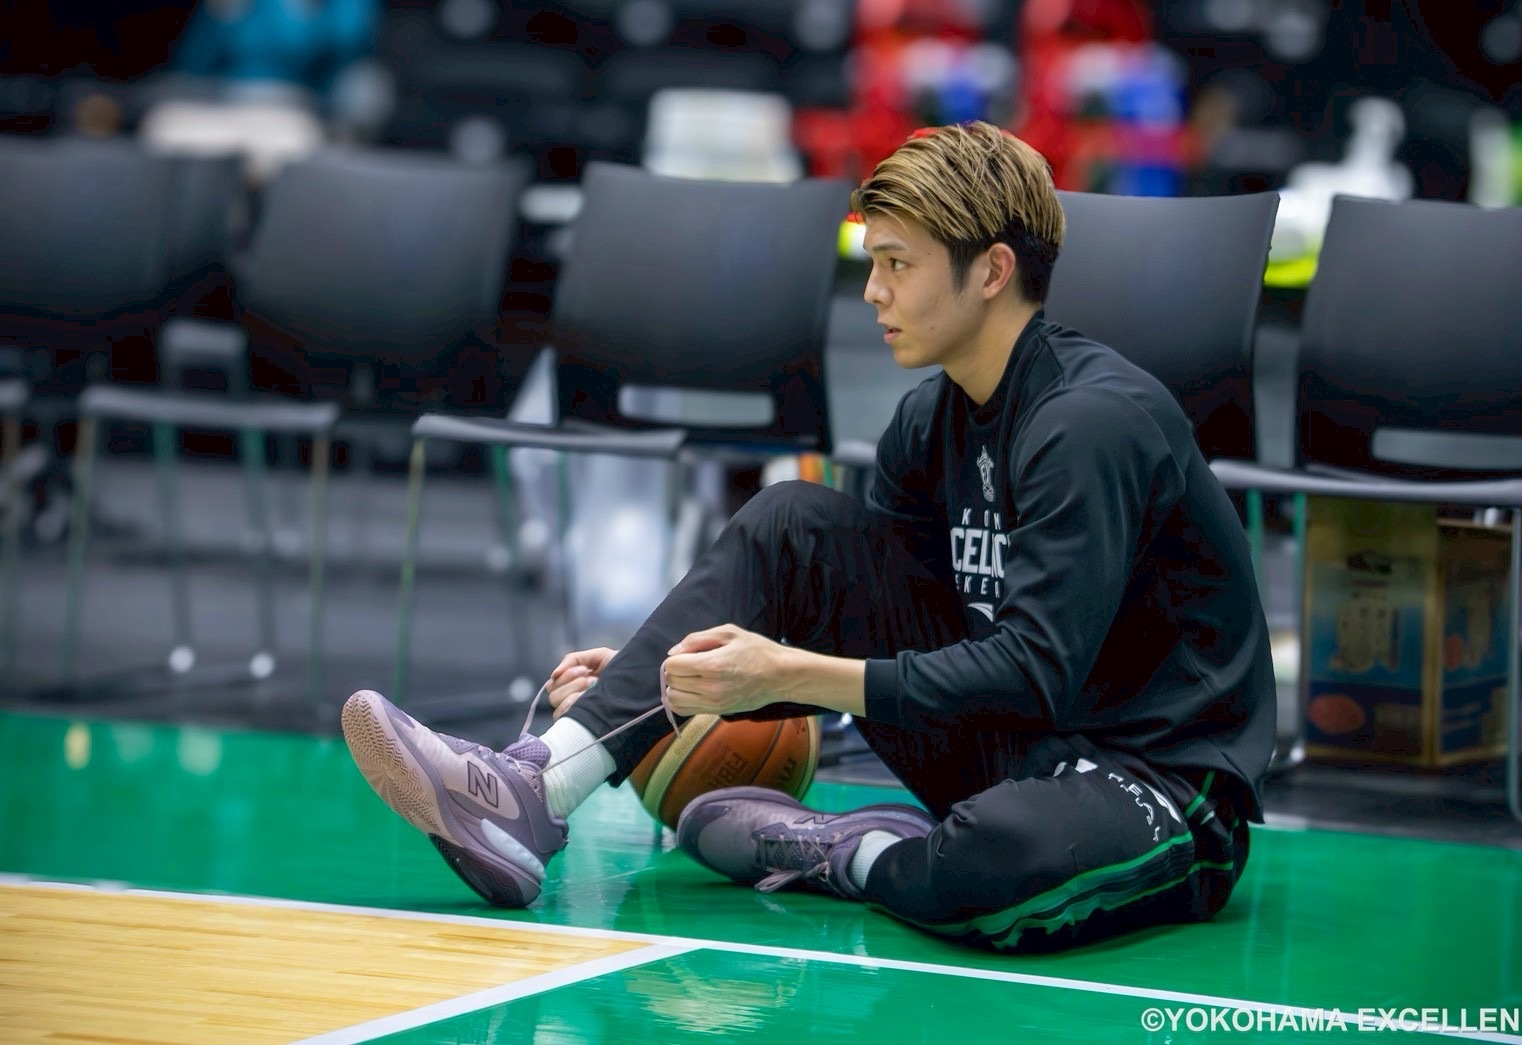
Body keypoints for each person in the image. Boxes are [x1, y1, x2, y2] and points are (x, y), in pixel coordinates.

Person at [341, 120, 1276, 952]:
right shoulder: (930, 419)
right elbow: (881, 631)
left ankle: (840, 848)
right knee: (794, 518)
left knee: (996, 858)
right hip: (1009, 748)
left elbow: (1034, 670)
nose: (871, 291)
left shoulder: (1087, 423)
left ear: (992, 271)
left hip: (1157, 782)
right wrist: (657, 675)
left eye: (897, 263)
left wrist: (785, 675)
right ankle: (535, 787)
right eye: (871, 262)